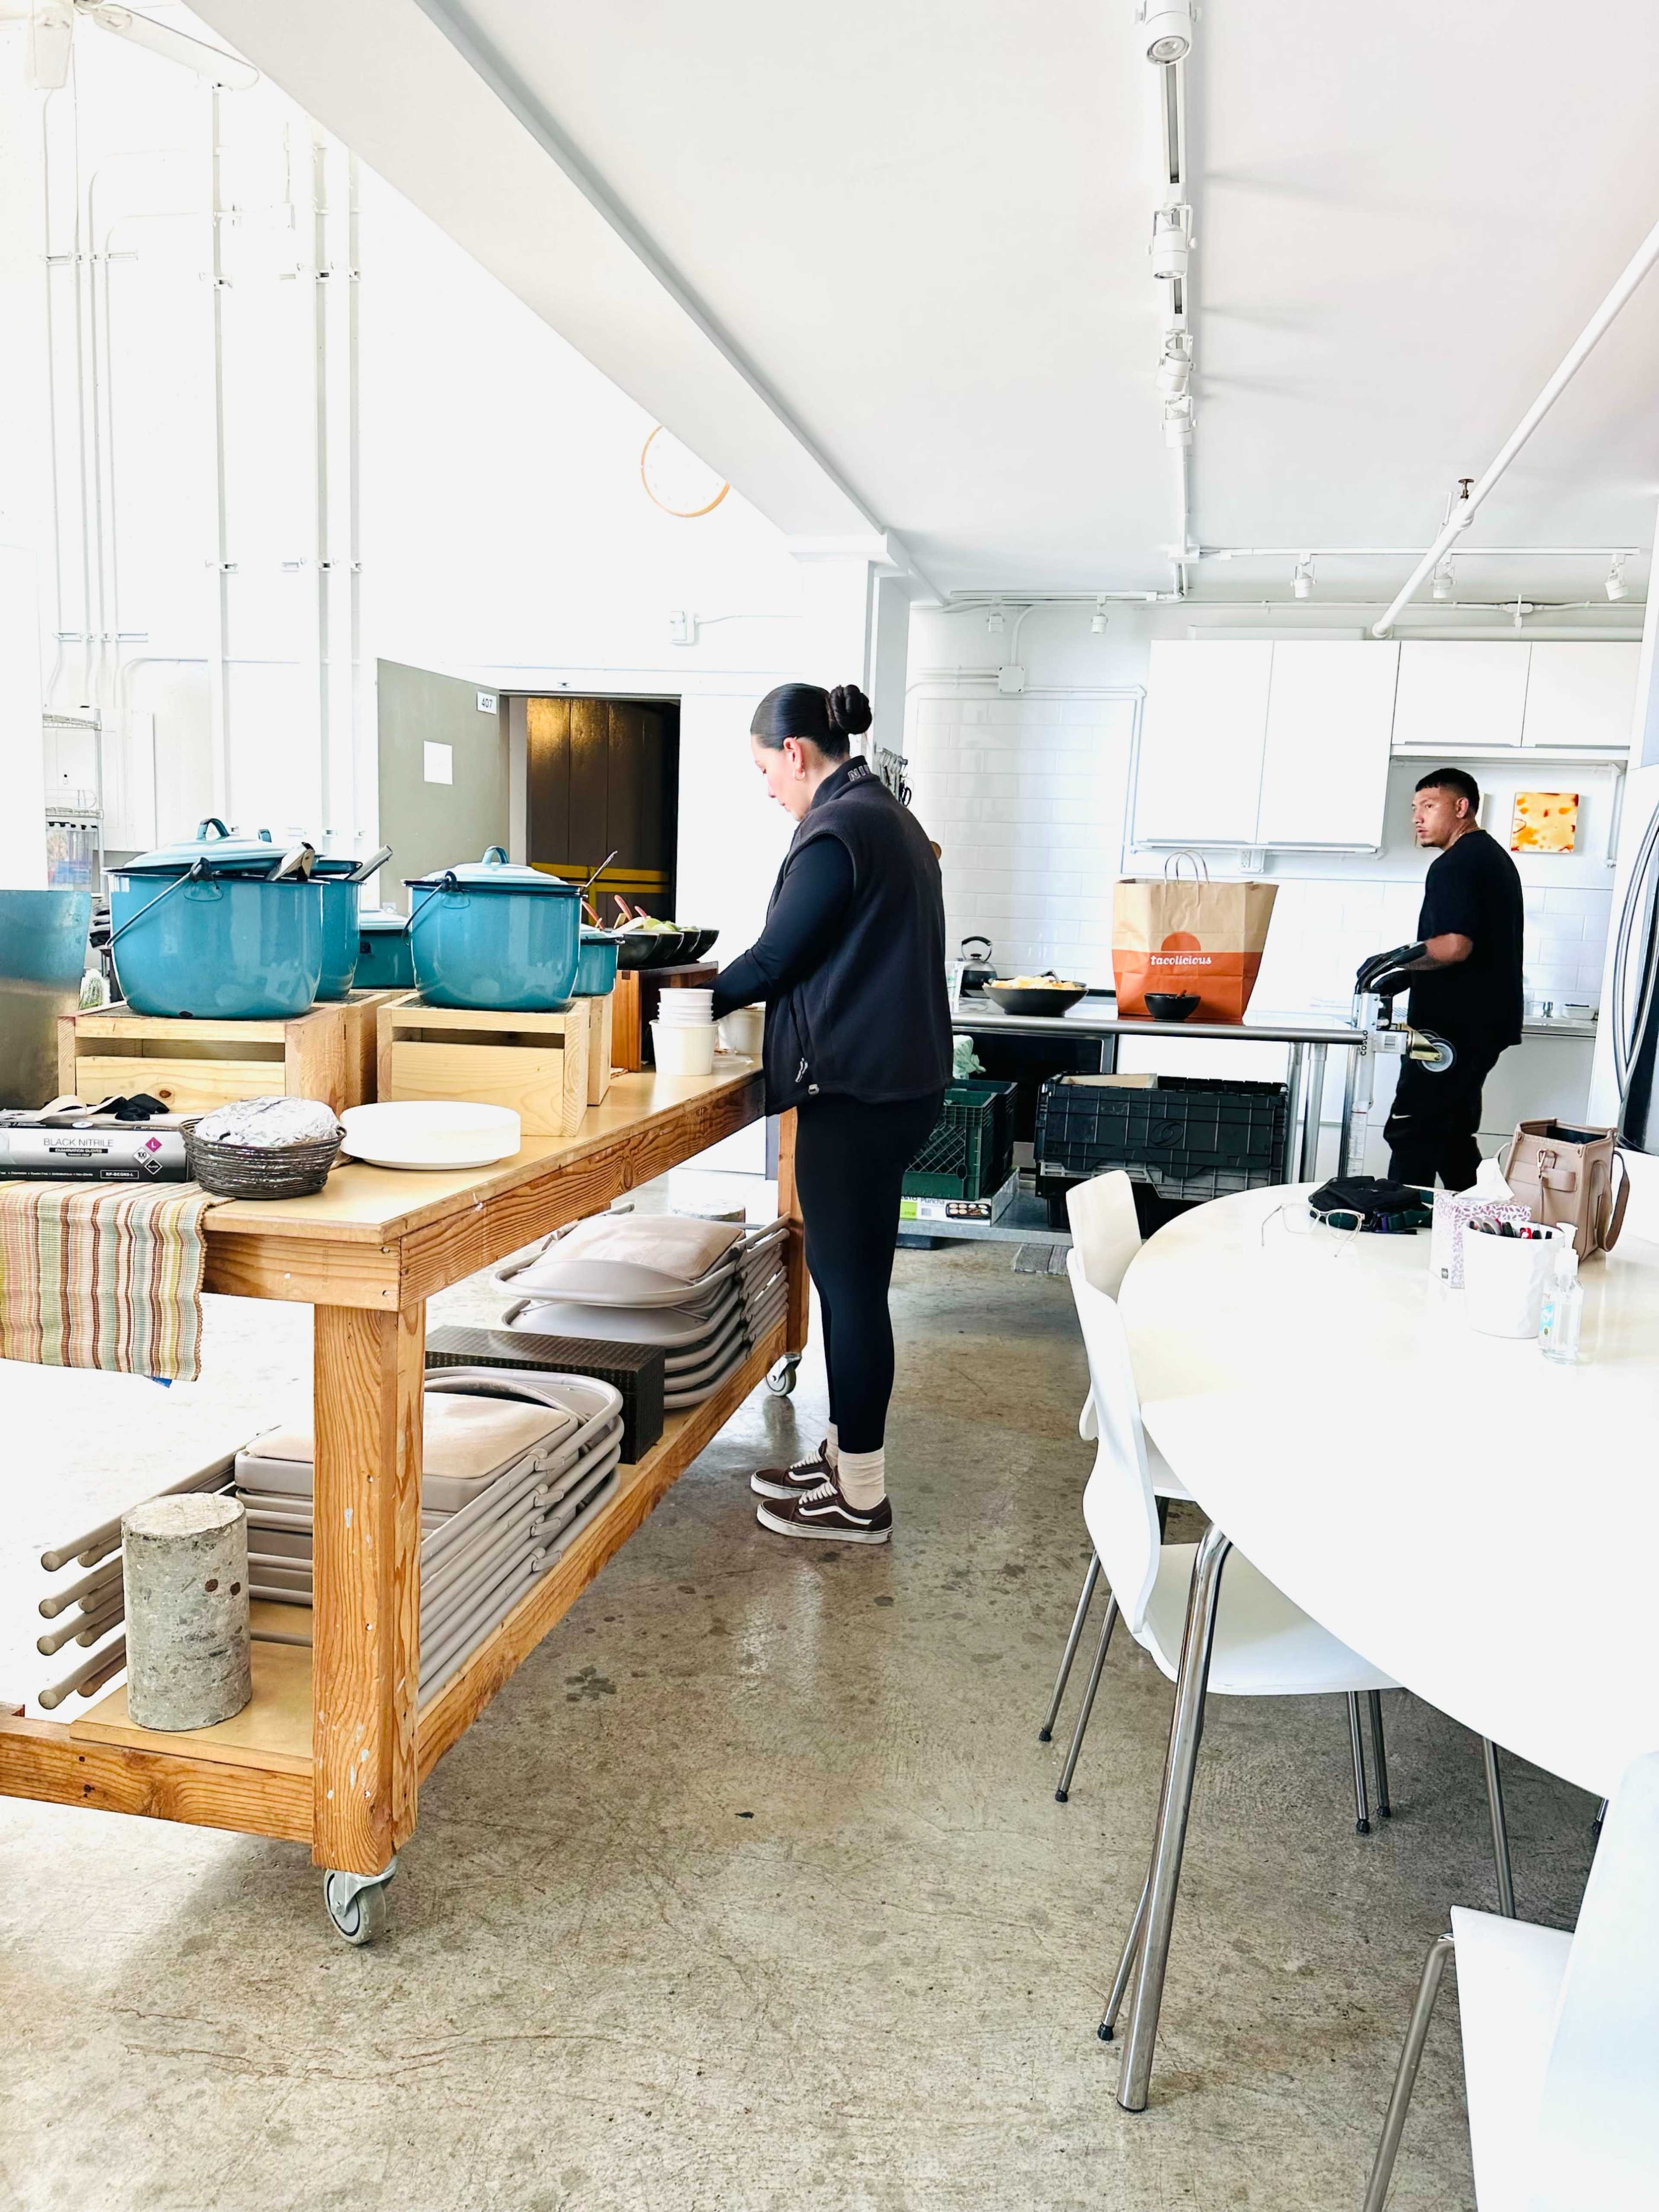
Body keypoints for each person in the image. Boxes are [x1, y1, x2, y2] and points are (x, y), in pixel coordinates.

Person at [712, 680, 950, 1545]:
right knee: (860, 1290)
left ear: (795, 753)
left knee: (850, 1300)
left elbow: (775, 958)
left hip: (856, 1093)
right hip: (900, 1084)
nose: (766, 788)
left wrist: (678, 995)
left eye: (763, 770)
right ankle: (850, 1461)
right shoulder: (882, 814)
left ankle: (861, 1500)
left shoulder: (836, 830)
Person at [1355, 767, 1524, 1191]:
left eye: (1429, 806)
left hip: (1453, 1028)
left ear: (1461, 807)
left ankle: (1395, 1234)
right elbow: (1469, 945)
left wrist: (1394, 961)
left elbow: (1455, 946)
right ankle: (1480, 1222)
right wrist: (1408, 971)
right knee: (1450, 1134)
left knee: (1411, 1129)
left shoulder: (1456, 863)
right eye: (1416, 808)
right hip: (1482, 1025)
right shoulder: (1491, 857)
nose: (1418, 817)